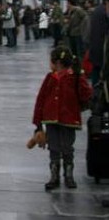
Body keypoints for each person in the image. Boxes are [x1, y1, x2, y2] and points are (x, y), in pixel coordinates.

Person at [32, 46, 92, 191]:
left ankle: (68, 174)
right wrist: (38, 122)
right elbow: (41, 99)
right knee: (53, 147)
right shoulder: (50, 77)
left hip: (69, 120)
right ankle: (54, 175)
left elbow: (86, 94)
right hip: (51, 119)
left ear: (57, 62)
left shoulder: (75, 76)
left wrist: (81, 76)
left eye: (51, 61)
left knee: (67, 147)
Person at [89, 0, 109, 85]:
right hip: (103, 55)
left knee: (96, 83)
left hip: (96, 53)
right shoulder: (104, 12)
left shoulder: (96, 11)